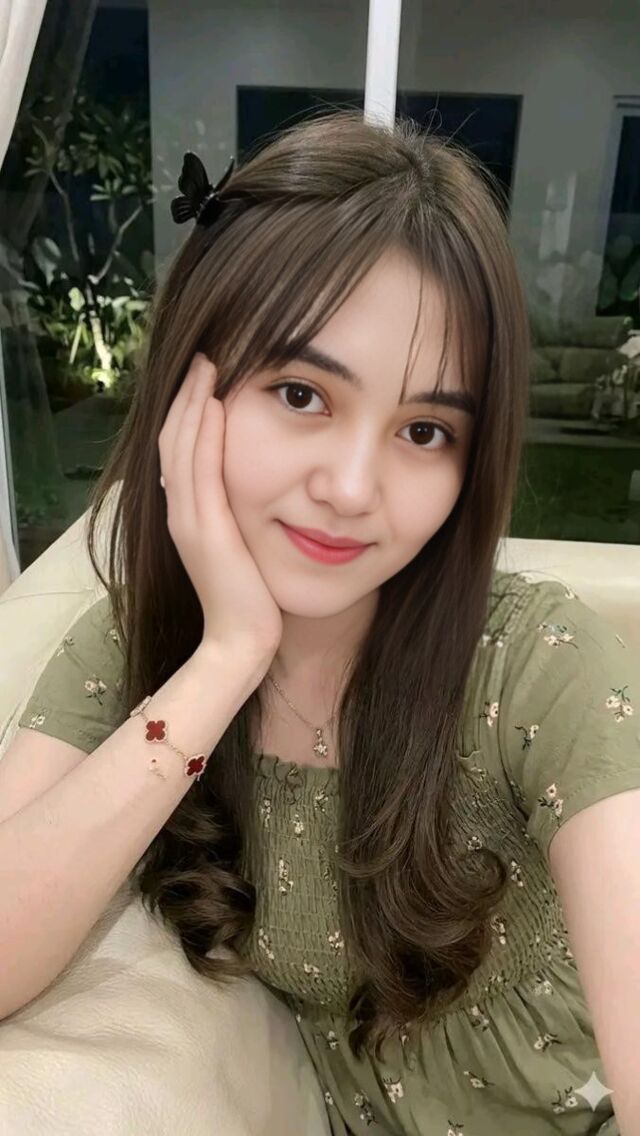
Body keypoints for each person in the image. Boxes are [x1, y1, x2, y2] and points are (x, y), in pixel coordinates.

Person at [1, 110, 639, 1136]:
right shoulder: (133, 651)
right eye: (300, 393)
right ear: (189, 395)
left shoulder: (536, 664)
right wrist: (227, 657)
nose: (350, 487)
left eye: (424, 430)